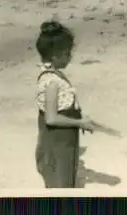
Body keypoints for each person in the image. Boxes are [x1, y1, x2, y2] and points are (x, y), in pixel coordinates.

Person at [34, 20, 100, 188]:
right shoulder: (51, 81)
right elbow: (51, 118)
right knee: (60, 185)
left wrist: (80, 117)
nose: (70, 56)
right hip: (56, 145)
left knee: (66, 181)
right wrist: (79, 122)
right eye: (67, 53)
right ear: (56, 55)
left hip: (64, 143)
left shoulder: (54, 75)